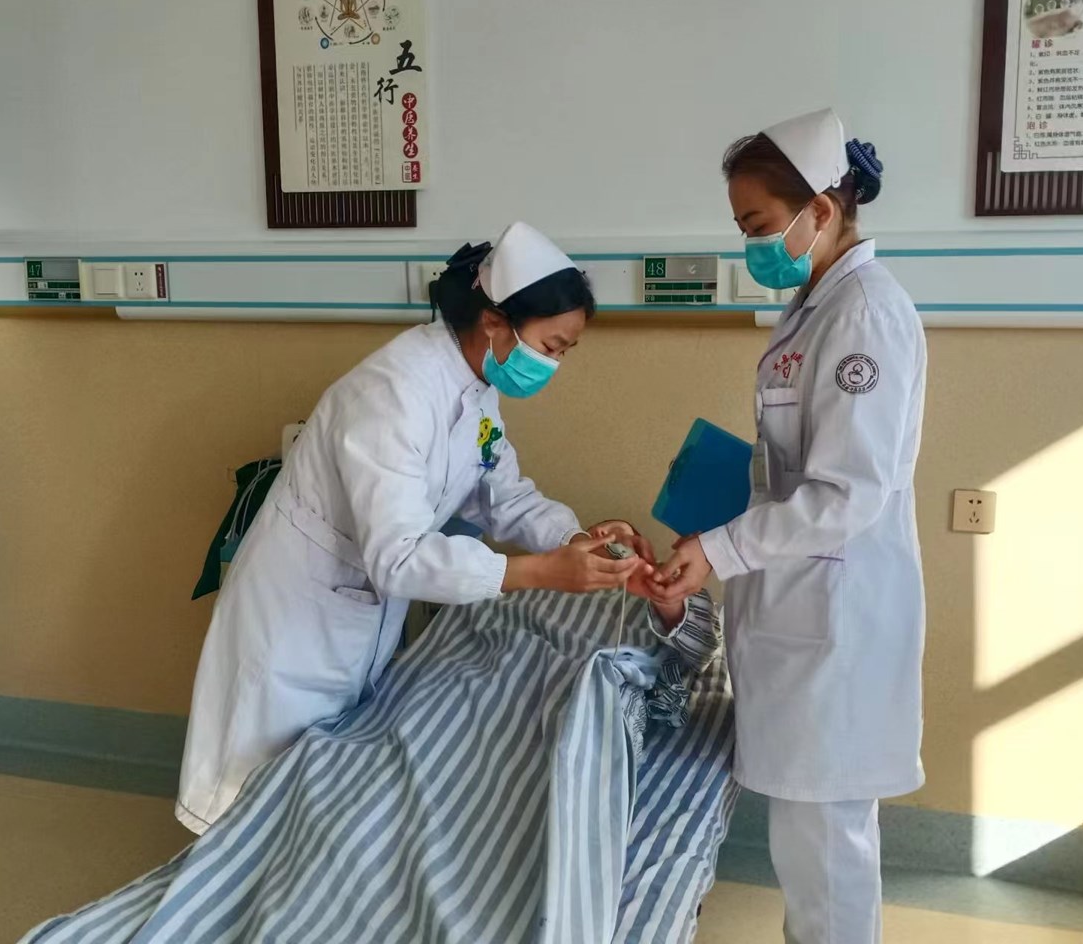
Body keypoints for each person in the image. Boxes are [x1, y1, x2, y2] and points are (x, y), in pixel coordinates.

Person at [177, 221, 650, 835]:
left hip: (358, 614)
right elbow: (398, 557)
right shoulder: (394, 394)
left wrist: (573, 539)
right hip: (295, 622)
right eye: (551, 346)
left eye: (565, 352)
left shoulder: (477, 385)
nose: (553, 364)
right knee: (247, 802)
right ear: (495, 322)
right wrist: (539, 572)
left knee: (307, 804)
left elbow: (499, 491)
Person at [653, 108, 927, 943]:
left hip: (838, 620)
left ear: (822, 209)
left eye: (759, 225)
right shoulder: (818, 305)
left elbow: (846, 493)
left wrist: (719, 548)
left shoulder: (864, 316)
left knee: (827, 850)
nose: (752, 245)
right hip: (802, 606)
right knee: (809, 843)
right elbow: (792, 462)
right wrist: (712, 522)